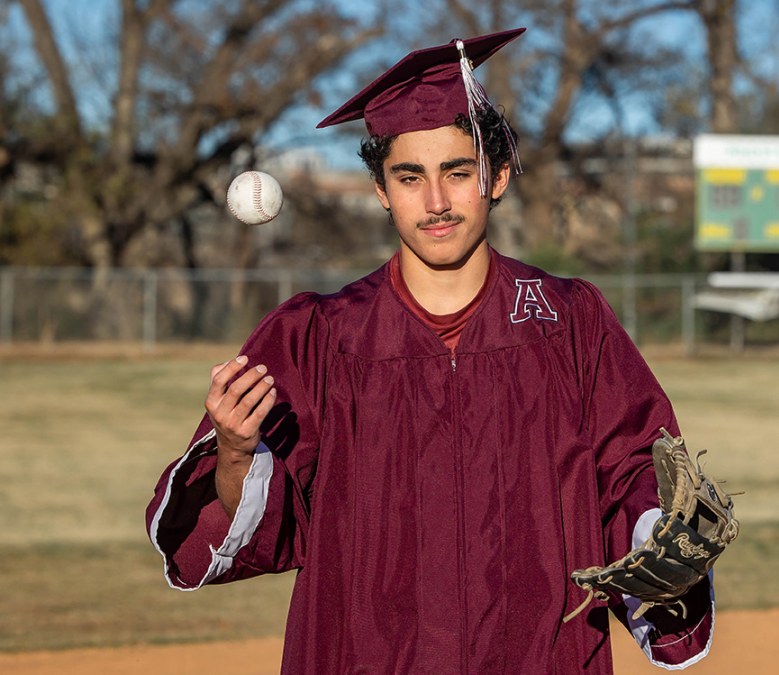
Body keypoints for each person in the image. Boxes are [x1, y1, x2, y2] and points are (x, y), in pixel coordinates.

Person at [146, 28, 715, 675]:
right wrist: (235, 453)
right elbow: (254, 526)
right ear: (382, 189)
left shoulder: (569, 324)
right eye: (410, 176)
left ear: (496, 175)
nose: (436, 201)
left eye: (457, 171)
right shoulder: (319, 338)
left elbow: (631, 475)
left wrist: (658, 536)